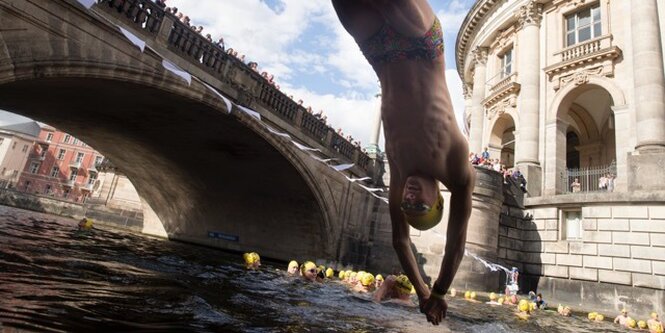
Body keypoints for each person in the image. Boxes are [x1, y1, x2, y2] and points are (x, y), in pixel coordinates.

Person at [331, 0, 476, 325]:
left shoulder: (398, 171)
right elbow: (457, 241)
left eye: (406, 205)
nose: (408, 198)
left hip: (380, 53)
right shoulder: (455, 166)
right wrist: (436, 292)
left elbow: (400, 240)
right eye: (419, 206)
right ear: (439, 198)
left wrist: (421, 293)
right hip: (423, 44)